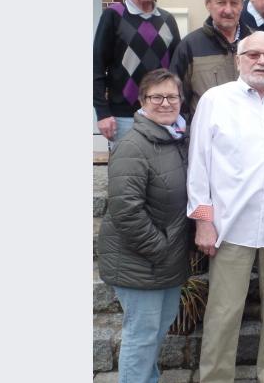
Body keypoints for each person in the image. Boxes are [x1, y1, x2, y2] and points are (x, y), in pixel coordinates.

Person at [187, 31, 264, 383]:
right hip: (230, 223)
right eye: (253, 54)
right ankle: (215, 377)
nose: (261, 61)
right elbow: (198, 164)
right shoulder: (215, 100)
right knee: (225, 309)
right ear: (238, 60)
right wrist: (203, 220)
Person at [97, 68, 190, 383]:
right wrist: (161, 249)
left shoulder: (175, 138)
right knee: (141, 335)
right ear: (142, 101)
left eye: (172, 96)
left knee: (155, 332)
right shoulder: (134, 144)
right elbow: (126, 210)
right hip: (140, 260)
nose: (165, 103)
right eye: (156, 97)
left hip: (164, 260)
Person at [94, 0, 181, 147]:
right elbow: (96, 67)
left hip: (162, 113)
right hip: (124, 117)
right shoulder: (114, 15)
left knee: (163, 171)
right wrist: (102, 113)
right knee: (127, 173)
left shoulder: (168, 20)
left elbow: (177, 70)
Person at [169, 0, 250, 121]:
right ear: (208, 4)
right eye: (221, 2)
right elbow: (175, 100)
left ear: (242, 5)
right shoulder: (190, 47)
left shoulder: (257, 44)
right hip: (207, 139)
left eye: (234, 3)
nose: (228, 10)